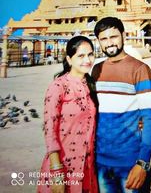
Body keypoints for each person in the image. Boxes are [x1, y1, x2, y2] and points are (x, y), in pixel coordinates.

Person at [92, 17, 151, 193]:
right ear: (98, 41)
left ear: (123, 35)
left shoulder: (139, 69)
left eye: (113, 36)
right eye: (104, 39)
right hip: (101, 162)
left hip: (130, 162)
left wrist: (143, 163)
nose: (109, 43)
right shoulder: (96, 70)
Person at [38, 36, 98, 193]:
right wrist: (57, 172)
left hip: (88, 167)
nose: (87, 60)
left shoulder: (92, 85)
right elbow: (50, 131)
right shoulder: (58, 86)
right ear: (69, 59)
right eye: (81, 56)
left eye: (90, 54)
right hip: (63, 167)